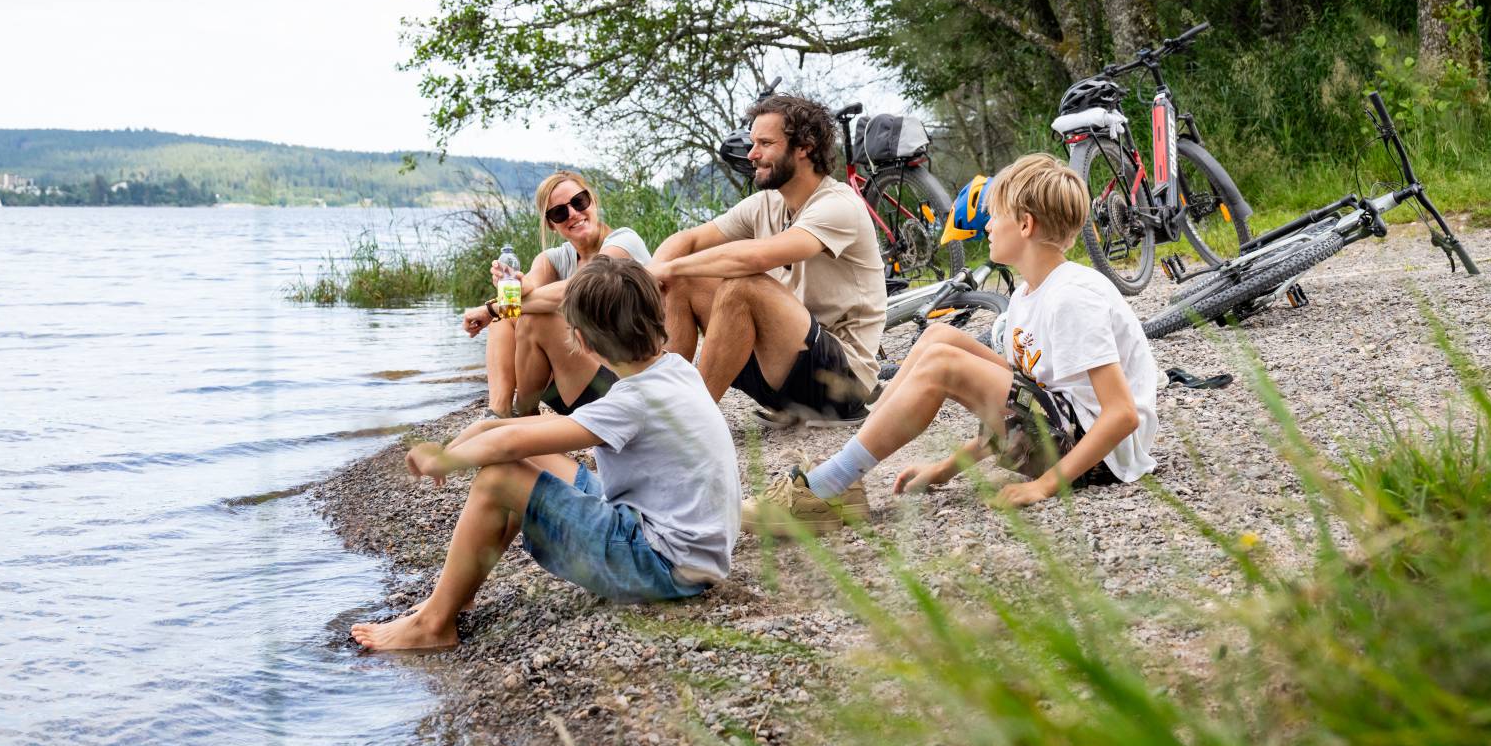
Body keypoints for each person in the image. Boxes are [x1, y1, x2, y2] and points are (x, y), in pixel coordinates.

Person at [742, 152, 1158, 533]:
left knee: (944, 364)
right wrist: (946, 469)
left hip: (1099, 458)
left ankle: (830, 485)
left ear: (1026, 225)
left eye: (994, 217)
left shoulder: (1073, 295)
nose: (988, 226)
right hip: (1069, 430)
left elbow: (1121, 414)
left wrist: (1045, 486)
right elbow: (1019, 408)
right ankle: (840, 473)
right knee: (941, 336)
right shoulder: (1027, 296)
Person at [352, 258, 739, 652]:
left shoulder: (632, 401)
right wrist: (471, 435)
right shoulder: (673, 369)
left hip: (665, 568)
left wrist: (444, 461)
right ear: (657, 317)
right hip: (685, 549)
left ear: (583, 343)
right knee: (531, 466)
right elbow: (515, 434)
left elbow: (510, 446)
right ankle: (458, 594)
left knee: (498, 478)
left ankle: (434, 624)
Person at [648, 94, 884, 424]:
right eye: (752, 142)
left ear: (805, 147)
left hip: (841, 383)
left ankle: (688, 425)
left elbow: (755, 258)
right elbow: (688, 239)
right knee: (685, 279)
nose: (751, 154)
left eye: (764, 143)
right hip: (781, 371)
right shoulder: (765, 204)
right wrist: (654, 276)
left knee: (742, 284)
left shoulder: (838, 205)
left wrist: (669, 267)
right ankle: (659, 407)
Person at [461, 171, 651, 417]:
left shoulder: (623, 243)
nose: (573, 214)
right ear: (551, 224)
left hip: (625, 389)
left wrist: (490, 309)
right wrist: (516, 284)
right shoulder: (554, 259)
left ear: (592, 200)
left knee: (535, 318)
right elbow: (519, 296)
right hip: (575, 386)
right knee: (506, 318)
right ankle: (499, 414)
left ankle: (524, 418)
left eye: (579, 202)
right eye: (559, 212)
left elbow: (576, 289)